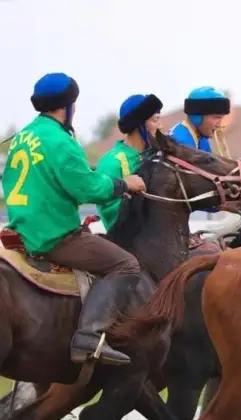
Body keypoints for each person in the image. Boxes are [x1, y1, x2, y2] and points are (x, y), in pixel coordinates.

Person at [3, 73, 147, 365]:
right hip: (53, 235)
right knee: (127, 265)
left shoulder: (21, 138)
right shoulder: (60, 141)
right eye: (74, 105)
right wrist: (124, 184)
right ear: (66, 107)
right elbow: (87, 187)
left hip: (19, 229)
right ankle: (89, 336)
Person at [96, 93, 163, 230]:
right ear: (139, 125)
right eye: (155, 120)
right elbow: (109, 214)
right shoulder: (111, 162)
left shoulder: (159, 156)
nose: (161, 126)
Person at [170, 86, 230, 153]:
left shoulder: (201, 138)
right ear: (197, 117)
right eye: (216, 117)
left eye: (222, 118)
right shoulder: (181, 144)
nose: (220, 124)